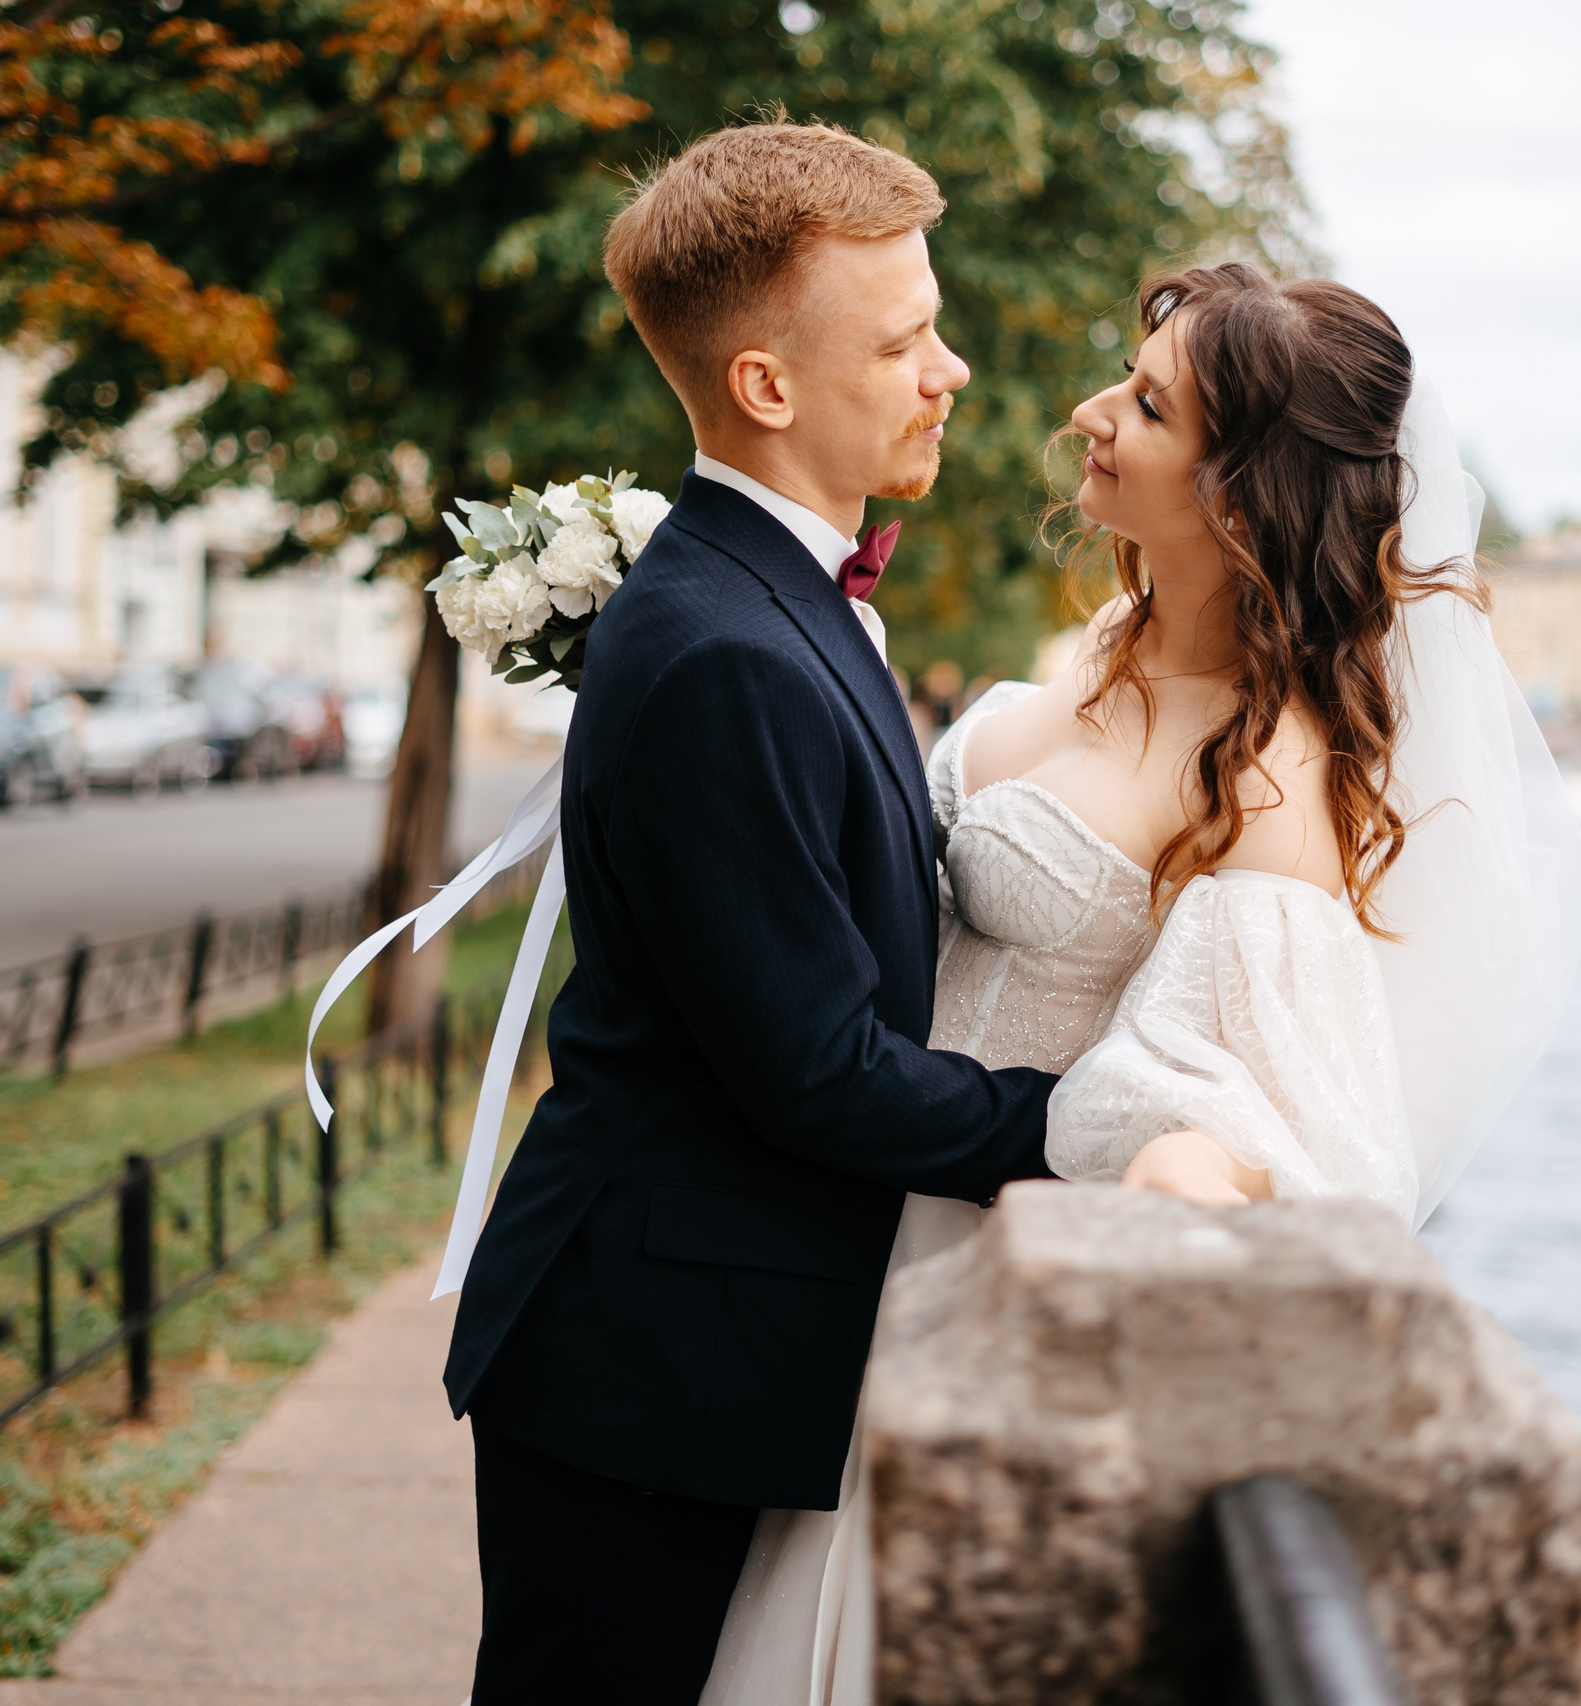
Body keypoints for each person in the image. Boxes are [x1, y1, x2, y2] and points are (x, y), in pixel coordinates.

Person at [695, 266, 1581, 1704]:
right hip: (838, 1235)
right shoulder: (1093, 651)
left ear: (1239, 497)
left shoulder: (1273, 769)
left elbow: (1271, 1114)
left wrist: (1188, 1163)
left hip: (976, 1263)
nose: (1090, 412)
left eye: (1149, 404)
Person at [439, 123, 1062, 1704]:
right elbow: (818, 1070)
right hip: (645, 1365)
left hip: (687, 1334)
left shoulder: (773, 587)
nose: (955, 370)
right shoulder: (728, 646)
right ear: (767, 388)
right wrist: (1092, 1123)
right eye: (908, 337)